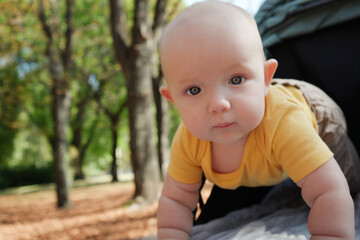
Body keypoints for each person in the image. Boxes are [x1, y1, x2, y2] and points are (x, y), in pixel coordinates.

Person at [157, 1, 360, 239]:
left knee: (344, 181)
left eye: (235, 80)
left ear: (265, 79)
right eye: (194, 90)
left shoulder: (284, 123)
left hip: (318, 115)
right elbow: (176, 199)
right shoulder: (188, 141)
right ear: (173, 100)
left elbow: (330, 190)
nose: (218, 104)